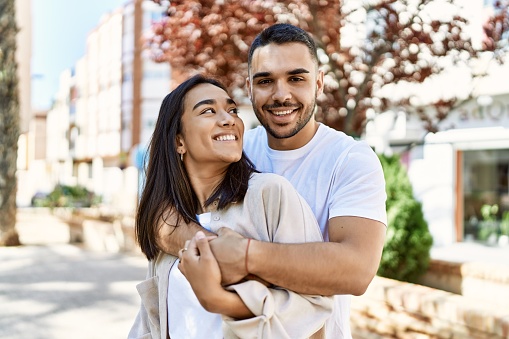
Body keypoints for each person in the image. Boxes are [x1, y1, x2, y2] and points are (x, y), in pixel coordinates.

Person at [157, 23, 388, 339]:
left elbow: (357, 270)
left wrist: (245, 255)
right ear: (250, 88)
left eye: (296, 78)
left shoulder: (350, 160)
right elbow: (160, 212)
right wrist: (213, 250)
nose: (282, 95)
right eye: (266, 81)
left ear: (318, 83)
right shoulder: (234, 148)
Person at [128, 74, 333, 339]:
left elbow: (311, 315)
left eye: (232, 109)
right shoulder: (169, 222)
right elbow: (152, 323)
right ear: (179, 141)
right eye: (208, 110)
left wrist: (221, 299)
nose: (229, 119)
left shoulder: (269, 194)